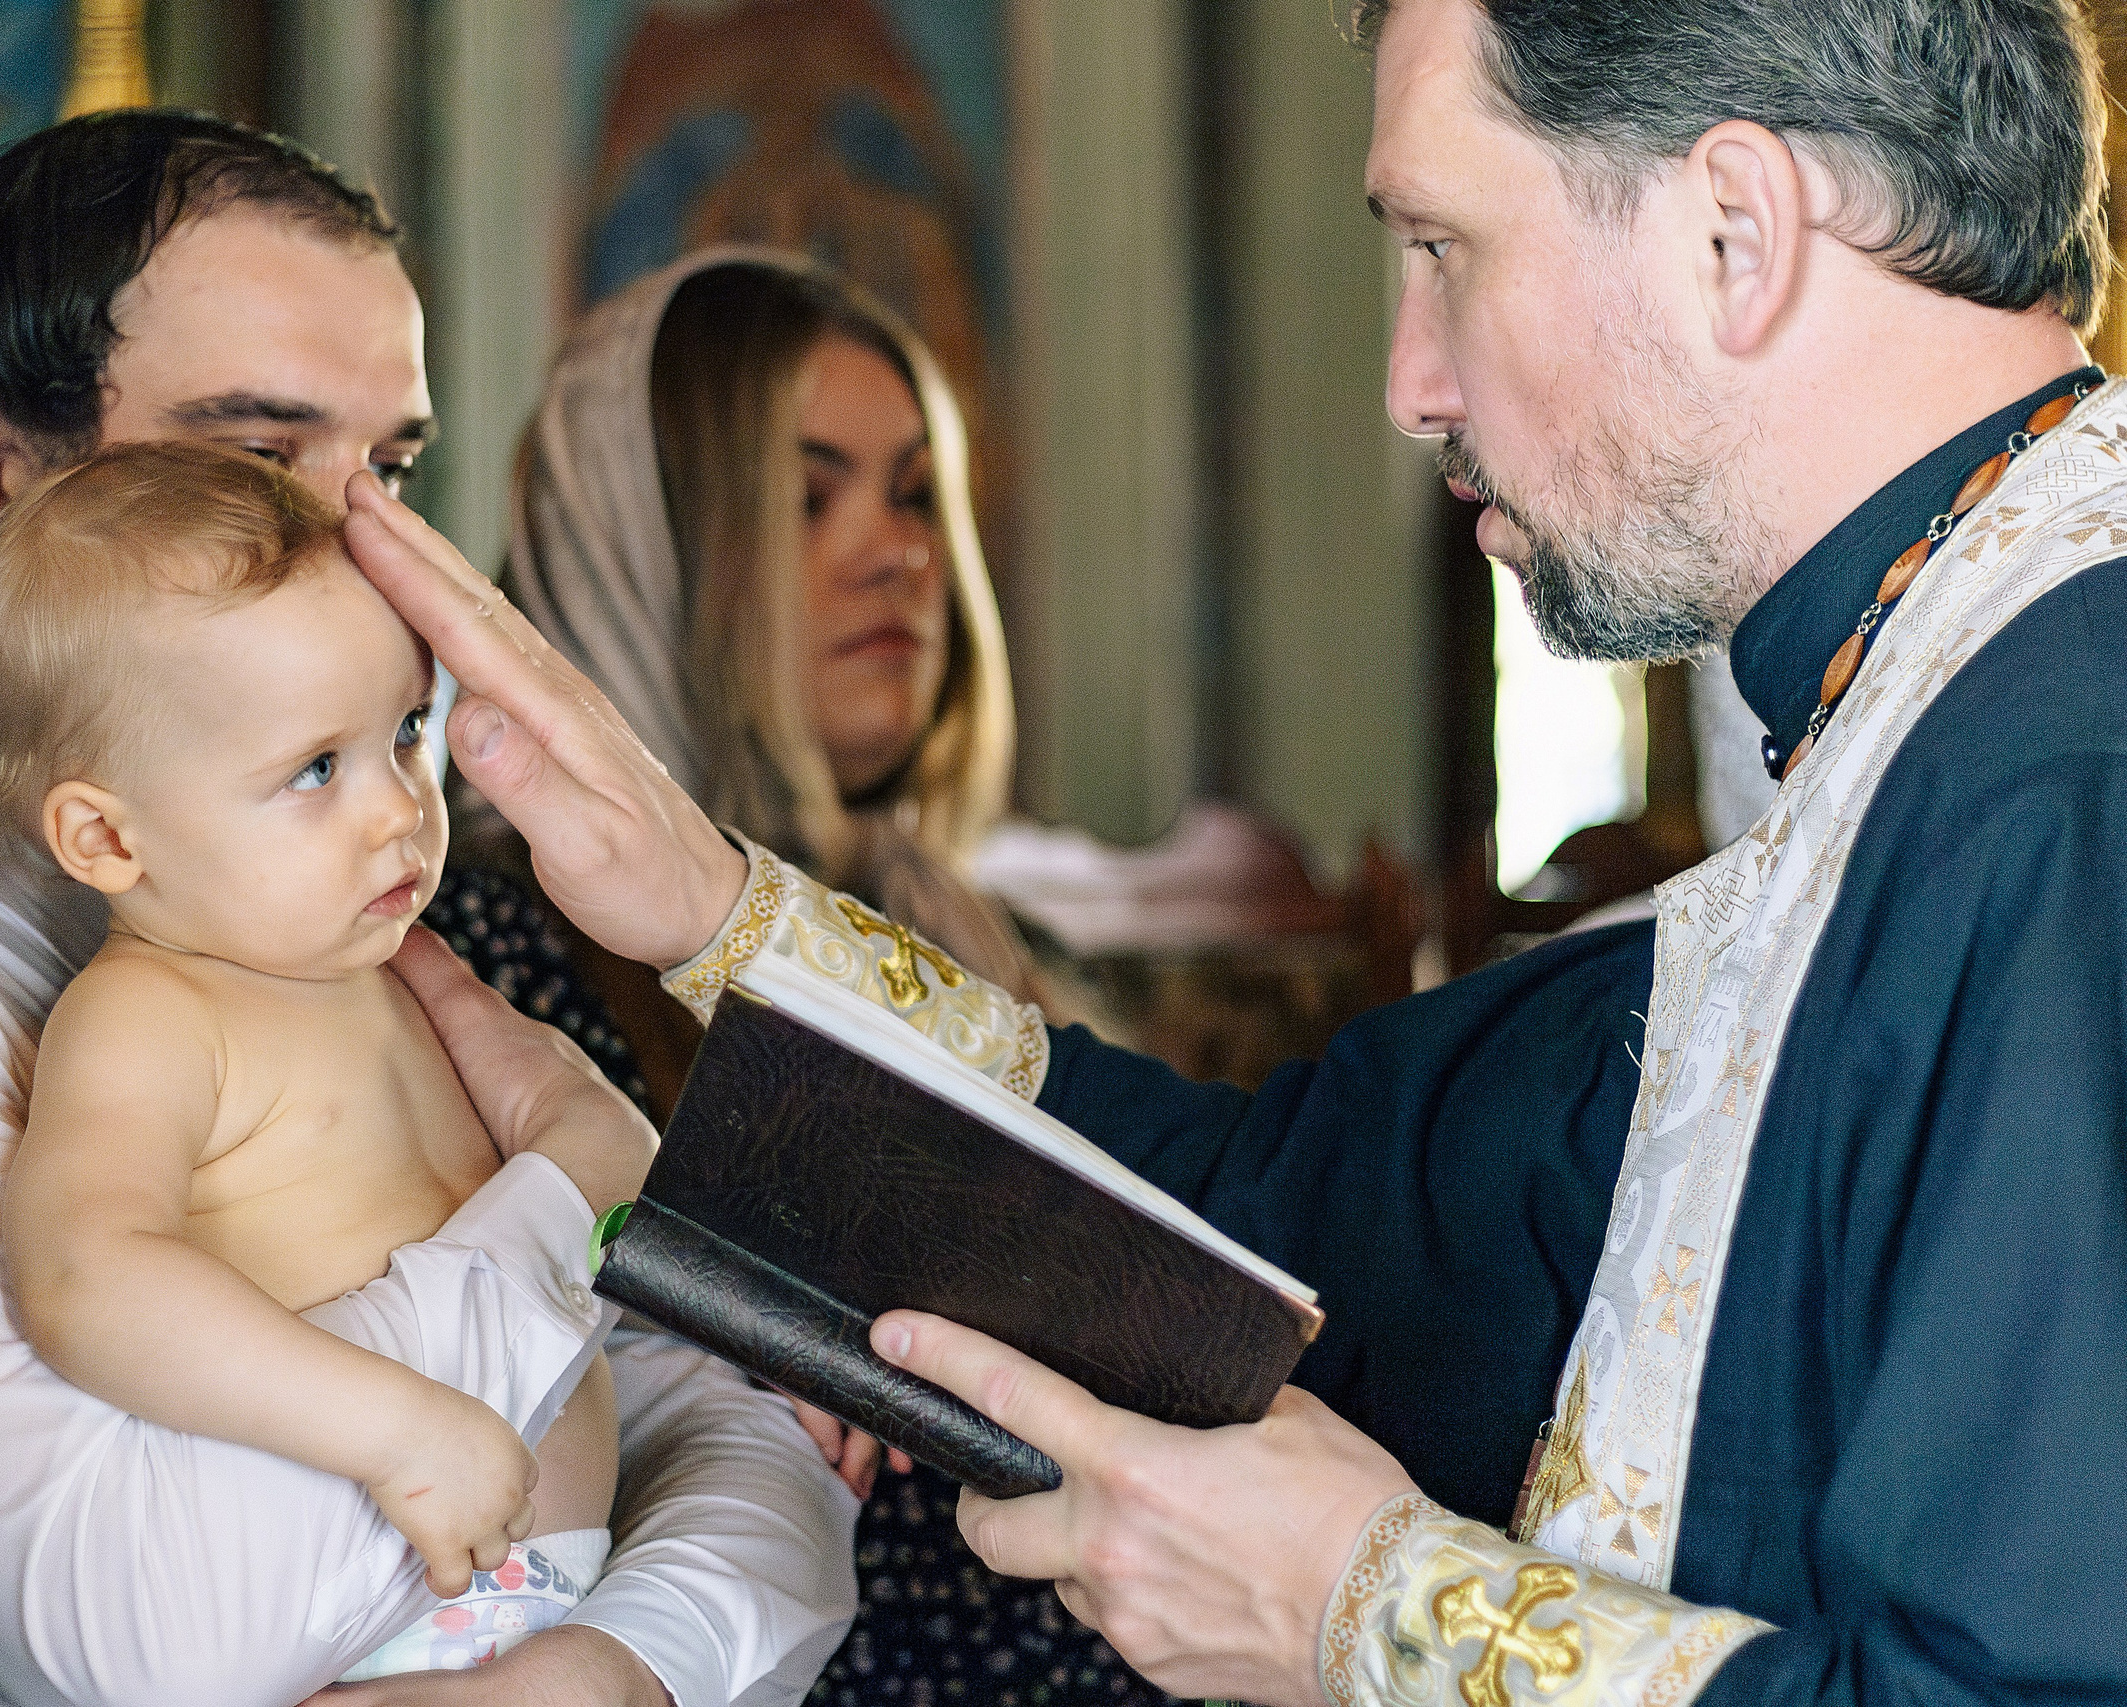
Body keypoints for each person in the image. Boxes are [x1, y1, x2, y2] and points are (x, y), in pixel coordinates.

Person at [331, 0, 2127, 1701]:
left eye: (1442, 247)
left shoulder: (2067, 780)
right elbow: (1281, 1210)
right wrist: (718, 909)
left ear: (1734, 229)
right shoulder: (1937, 711)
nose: (1413, 384)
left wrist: (1357, 1612)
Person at [0, 111, 855, 1707]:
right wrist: (561, 1202)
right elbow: (149, 1633)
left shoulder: (370, 909)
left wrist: (607, 1673)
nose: (365, 545)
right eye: (256, 455)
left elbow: (750, 1446)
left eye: (390, 465)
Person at [480, 247, 1157, 1705]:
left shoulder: (949, 916)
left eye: (918, 493)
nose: (896, 549)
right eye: (806, 495)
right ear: (640, 545)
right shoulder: (496, 955)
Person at [0, 442, 649, 1677]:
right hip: (376, 1614)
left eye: (408, 733)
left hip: (531, 1595)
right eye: (315, 769)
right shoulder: (148, 1015)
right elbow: (82, 1275)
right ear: (106, 835)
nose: (399, 808)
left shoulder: (389, 970)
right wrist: (394, 1430)